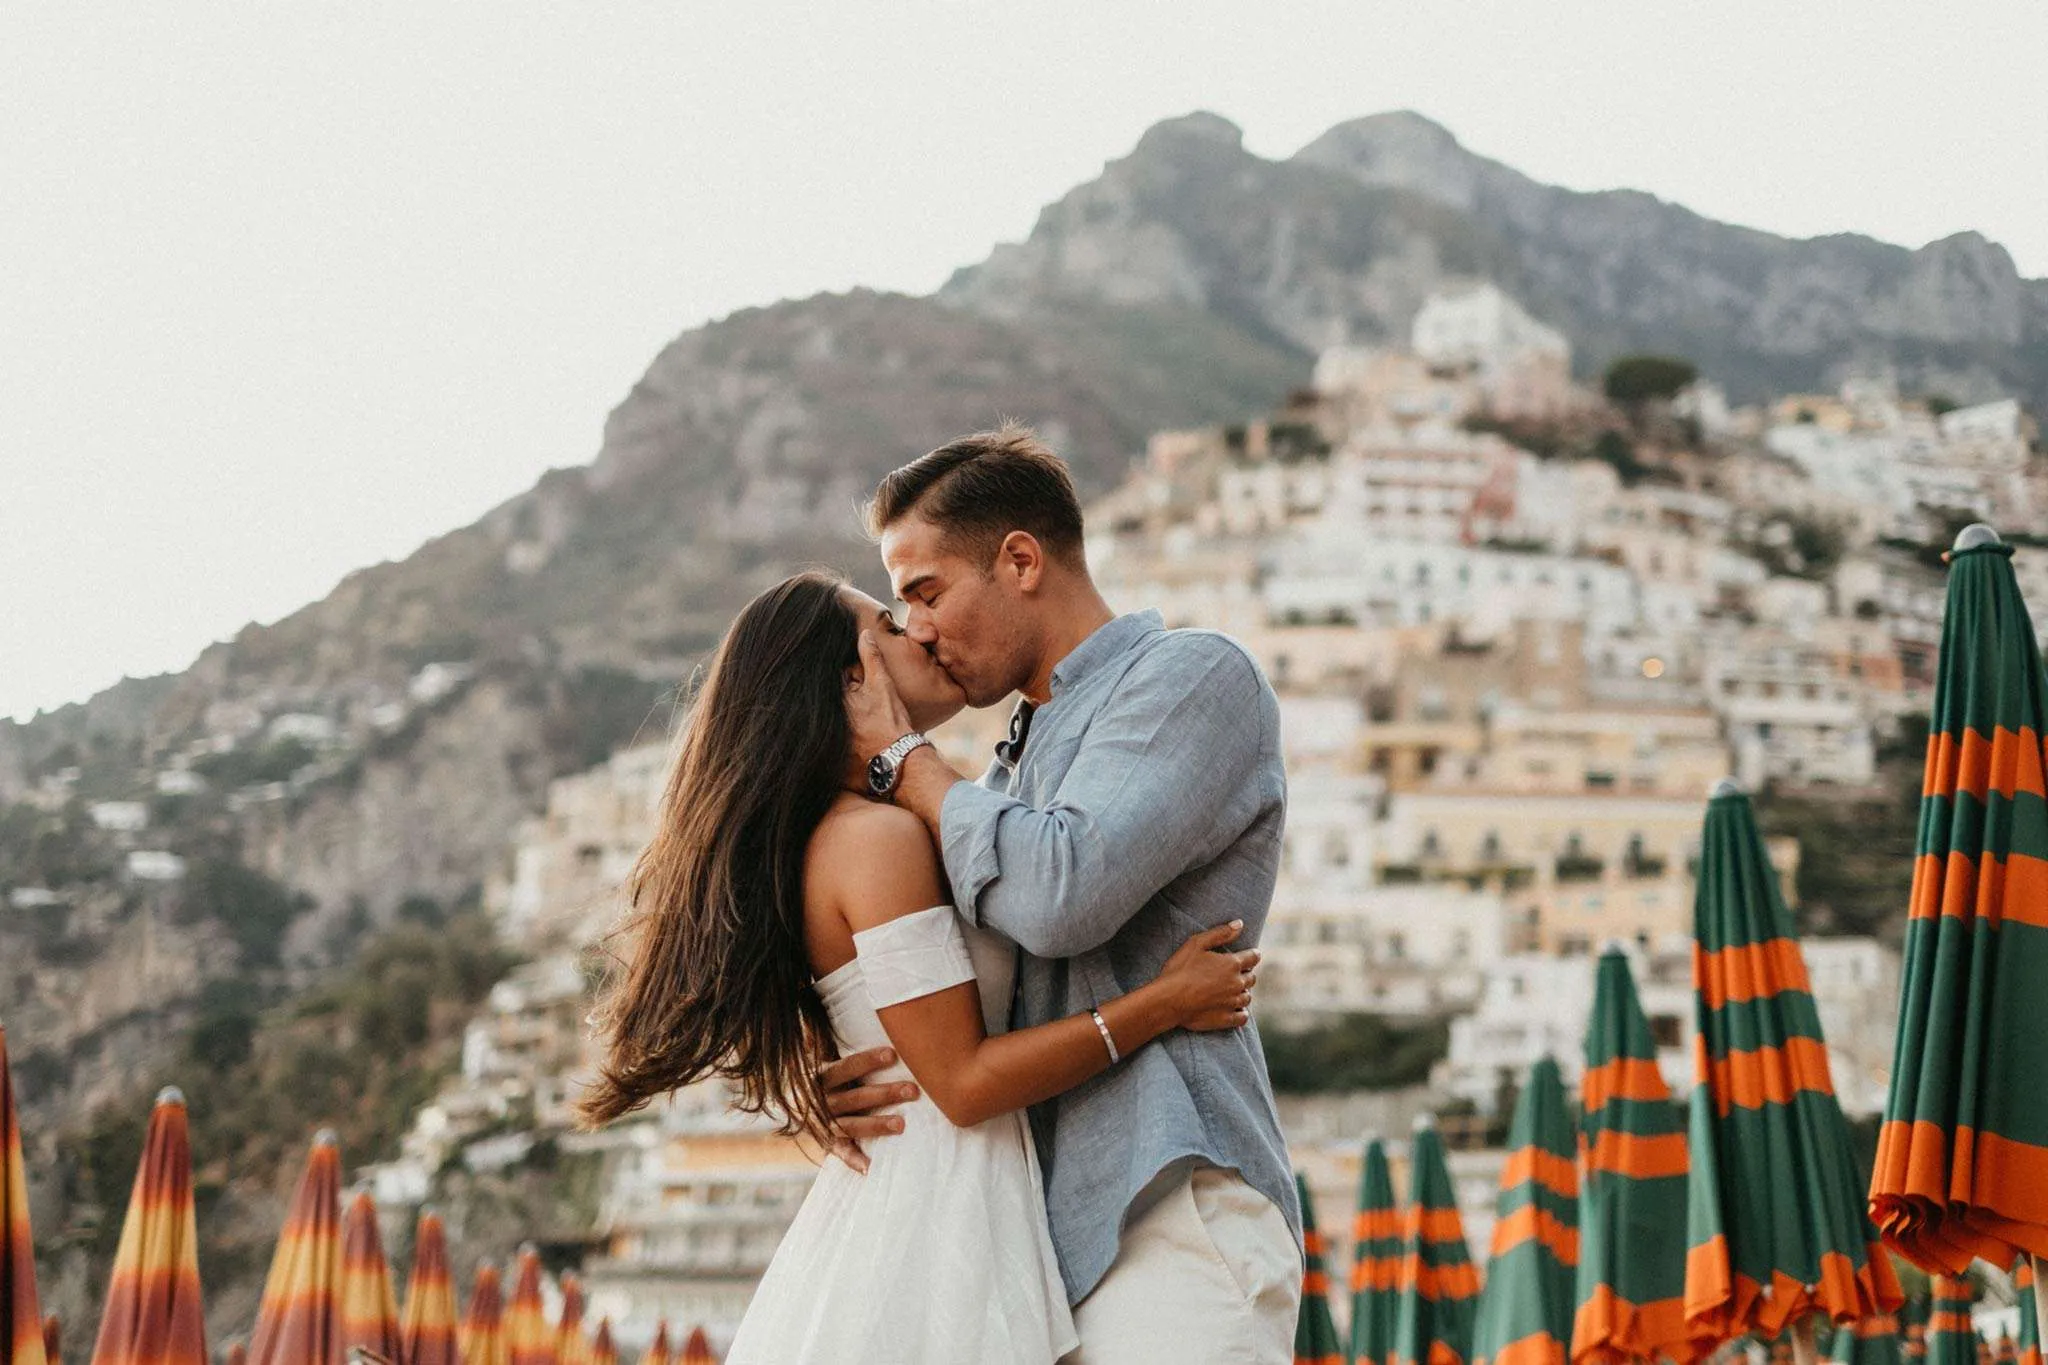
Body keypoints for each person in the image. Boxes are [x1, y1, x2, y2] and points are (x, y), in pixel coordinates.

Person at [577, 569, 1261, 1363]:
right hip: (939, 1211)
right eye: (891, 624)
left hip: (934, 1193)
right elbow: (965, 1084)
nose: (922, 631)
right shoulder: (876, 840)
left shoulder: (879, 823)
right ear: (851, 679)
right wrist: (1163, 1002)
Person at [836, 424, 1303, 1364]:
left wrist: (905, 764)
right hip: (1035, 1252)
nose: (917, 628)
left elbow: (1062, 895)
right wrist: (863, 1074)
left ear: (1018, 560)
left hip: (1171, 1212)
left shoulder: (1191, 678)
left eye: (926, 592)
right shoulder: (1007, 775)